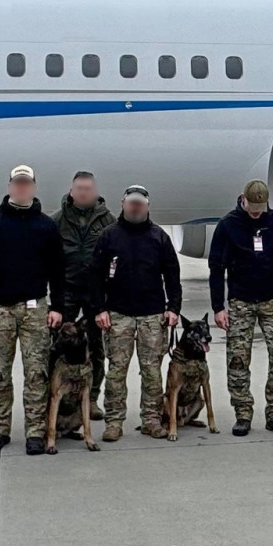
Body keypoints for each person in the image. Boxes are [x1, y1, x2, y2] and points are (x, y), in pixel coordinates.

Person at [0, 165, 66, 455]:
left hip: (34, 309)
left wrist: (58, 307)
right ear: (10, 186)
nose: (22, 188)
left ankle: (35, 432)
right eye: (17, 183)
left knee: (36, 373)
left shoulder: (47, 226)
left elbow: (58, 271)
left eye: (26, 183)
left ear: (33, 187)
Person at [208, 180, 273, 437]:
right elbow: (216, 268)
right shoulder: (228, 225)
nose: (255, 213)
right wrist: (218, 307)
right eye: (252, 208)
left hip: (272, 300)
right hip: (240, 301)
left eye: (260, 209)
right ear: (243, 199)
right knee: (238, 359)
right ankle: (243, 413)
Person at [90, 185, 181, 441]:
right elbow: (94, 275)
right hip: (118, 315)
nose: (135, 207)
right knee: (116, 371)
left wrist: (173, 308)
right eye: (132, 203)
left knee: (152, 371)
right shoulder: (109, 236)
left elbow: (172, 275)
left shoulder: (159, 237)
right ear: (123, 204)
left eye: (140, 203)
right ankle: (114, 422)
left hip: (152, 315)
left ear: (147, 206)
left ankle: (151, 420)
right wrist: (99, 309)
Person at [51, 171, 114, 419]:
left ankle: (92, 398)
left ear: (95, 192)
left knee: (95, 347)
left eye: (88, 189)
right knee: (59, 346)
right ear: (71, 191)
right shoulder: (57, 221)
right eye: (79, 188)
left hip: (95, 294)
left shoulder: (108, 221)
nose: (83, 193)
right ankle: (58, 396)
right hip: (66, 291)